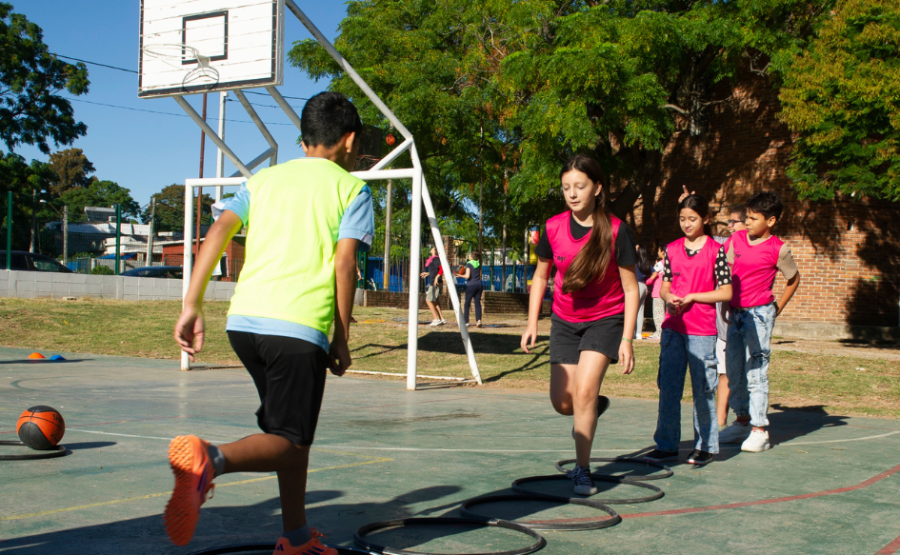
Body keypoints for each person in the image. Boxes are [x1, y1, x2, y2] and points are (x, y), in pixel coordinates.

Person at [169, 91, 374, 555]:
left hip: (244, 324)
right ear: (349, 140)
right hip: (297, 328)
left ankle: (297, 537)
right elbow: (345, 265)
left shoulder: (261, 181)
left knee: (288, 436)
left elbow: (218, 230)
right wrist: (341, 338)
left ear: (303, 141)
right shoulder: (353, 189)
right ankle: (210, 459)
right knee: (289, 439)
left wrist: (192, 304)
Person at [522, 154, 640, 496]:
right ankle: (591, 407)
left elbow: (632, 289)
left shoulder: (616, 230)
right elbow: (541, 276)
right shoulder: (552, 227)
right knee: (563, 402)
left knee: (584, 392)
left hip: (605, 318)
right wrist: (532, 323)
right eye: (566, 188)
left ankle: (582, 470)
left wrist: (628, 338)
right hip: (564, 319)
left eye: (580, 186)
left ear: (597, 187)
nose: (572, 194)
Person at [643, 194, 732, 466]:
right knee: (668, 387)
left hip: (702, 331)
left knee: (703, 390)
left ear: (705, 219)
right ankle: (666, 444)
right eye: (682, 219)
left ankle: (705, 446)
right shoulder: (671, 249)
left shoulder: (716, 251)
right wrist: (669, 298)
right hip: (673, 329)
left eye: (692, 219)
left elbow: (726, 290)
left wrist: (693, 297)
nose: (687, 224)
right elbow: (666, 284)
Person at [719, 192, 800, 453]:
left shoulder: (779, 248)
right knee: (734, 371)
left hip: (759, 315)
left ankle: (759, 430)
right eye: (746, 217)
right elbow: (726, 273)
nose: (747, 222)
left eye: (753, 218)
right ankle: (742, 422)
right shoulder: (737, 240)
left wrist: (778, 307)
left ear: (772, 220)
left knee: (756, 371)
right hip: (736, 313)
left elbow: (793, 279)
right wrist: (724, 303)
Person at [714, 204, 747, 428]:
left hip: (742, 321)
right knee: (724, 373)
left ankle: (742, 420)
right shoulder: (724, 245)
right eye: (729, 222)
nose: (729, 226)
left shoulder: (752, 248)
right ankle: (721, 422)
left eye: (734, 222)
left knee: (740, 374)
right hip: (723, 323)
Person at [419, 247, 446, 326]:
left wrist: (437, 278)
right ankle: (441, 319)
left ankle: (436, 319)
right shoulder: (433, 259)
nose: (431, 248)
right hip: (434, 281)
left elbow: (441, 268)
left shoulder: (436, 259)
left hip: (435, 283)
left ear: (435, 251)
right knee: (434, 301)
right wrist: (427, 273)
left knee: (428, 300)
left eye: (433, 248)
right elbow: (435, 271)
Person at [633, 245, 654, 339]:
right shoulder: (646, 263)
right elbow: (655, 273)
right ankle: (638, 333)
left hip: (636, 286)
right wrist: (649, 282)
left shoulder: (634, 262)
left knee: (632, 310)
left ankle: (632, 332)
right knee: (640, 311)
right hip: (644, 286)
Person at [459, 251, 484, 327]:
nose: (468, 256)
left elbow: (467, 276)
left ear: (472, 257)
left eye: (469, 255)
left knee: (467, 304)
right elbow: (479, 275)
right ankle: (478, 321)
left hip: (471, 285)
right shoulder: (478, 264)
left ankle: (466, 321)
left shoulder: (469, 264)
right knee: (477, 303)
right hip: (479, 284)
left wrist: (459, 275)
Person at [646, 247, 665, 339]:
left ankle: (659, 332)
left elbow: (652, 273)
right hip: (666, 292)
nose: (658, 252)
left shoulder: (660, 264)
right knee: (664, 313)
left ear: (663, 252)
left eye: (659, 250)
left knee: (658, 313)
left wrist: (646, 282)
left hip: (658, 292)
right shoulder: (671, 263)